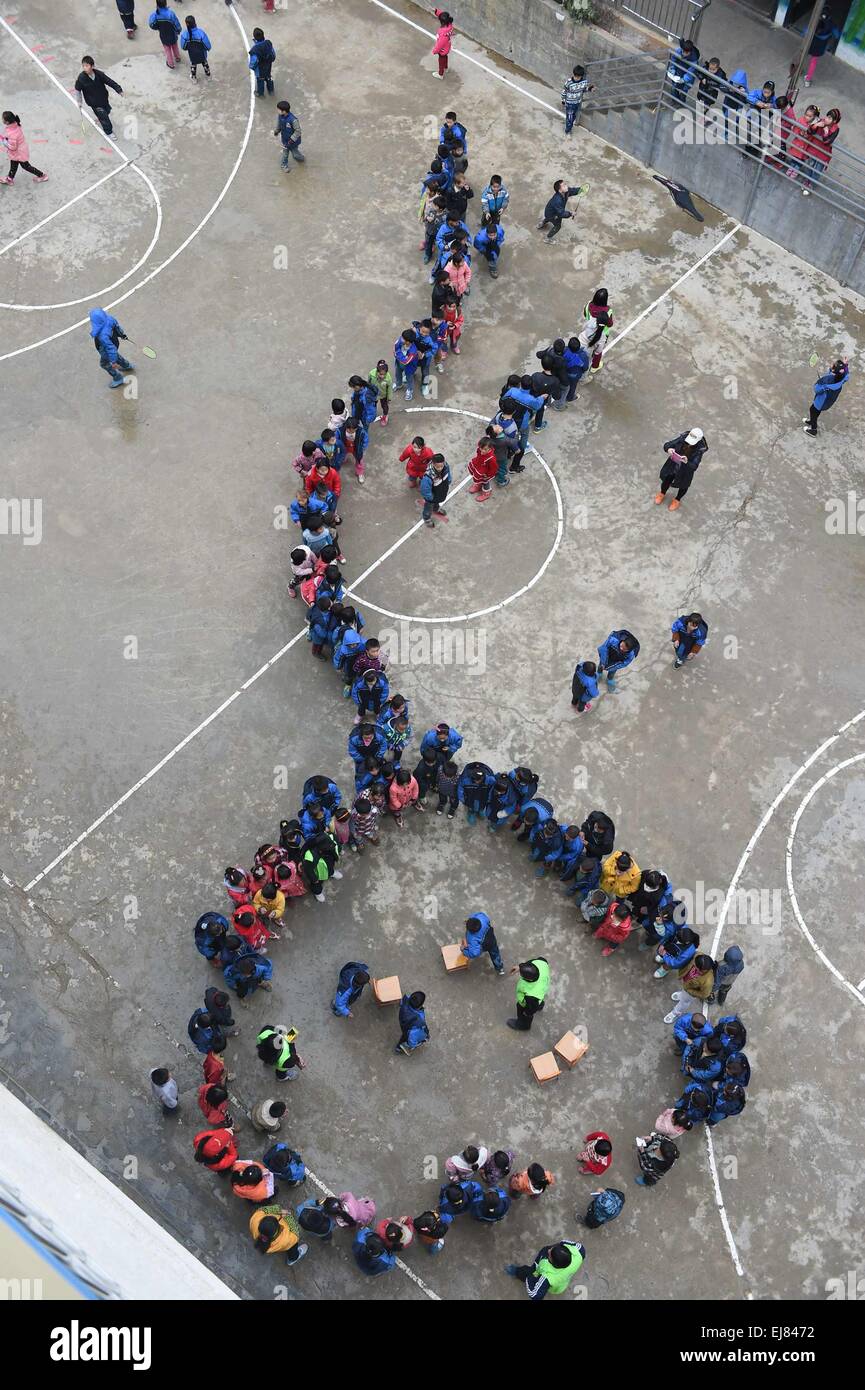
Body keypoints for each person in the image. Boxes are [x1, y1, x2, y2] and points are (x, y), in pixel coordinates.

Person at [505, 1240, 585, 1300]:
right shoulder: (579, 1253)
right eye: (553, 1249)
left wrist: (530, 1277)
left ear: (554, 1264)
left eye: (550, 1254)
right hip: (562, 1285)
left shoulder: (547, 1278)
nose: (549, 1250)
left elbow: (534, 1294)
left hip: (539, 1274)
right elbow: (564, 1242)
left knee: (527, 1272)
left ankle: (516, 1272)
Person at [655, 427, 707, 510]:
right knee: (666, 479)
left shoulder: (699, 450)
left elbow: (694, 466)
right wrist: (668, 449)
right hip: (673, 464)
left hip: (686, 470)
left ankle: (677, 499)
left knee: (683, 485)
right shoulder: (683, 438)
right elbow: (667, 445)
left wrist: (687, 462)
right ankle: (662, 493)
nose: (689, 443)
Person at [74, 56, 124, 136]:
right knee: (104, 118)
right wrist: (79, 101)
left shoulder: (99, 74)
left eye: (87, 66)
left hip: (103, 99)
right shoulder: (81, 78)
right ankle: (109, 132)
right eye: (83, 66)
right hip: (94, 103)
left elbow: (109, 81)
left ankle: (100, 117)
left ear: (92, 66)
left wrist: (119, 89)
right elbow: (77, 90)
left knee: (107, 111)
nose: (85, 68)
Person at [89, 308, 135, 389]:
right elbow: (117, 328)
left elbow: (111, 349)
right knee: (115, 355)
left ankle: (118, 378)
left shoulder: (102, 336)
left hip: (106, 350)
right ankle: (127, 365)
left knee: (104, 364)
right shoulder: (110, 319)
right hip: (115, 343)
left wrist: (113, 362)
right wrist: (122, 335)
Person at [664, 953, 716, 1023]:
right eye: (695, 966)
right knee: (683, 993)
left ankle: (676, 1013)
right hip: (687, 984)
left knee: (684, 1002)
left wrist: (690, 991)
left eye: (699, 970)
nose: (695, 967)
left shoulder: (708, 981)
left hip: (690, 993)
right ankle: (682, 995)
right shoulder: (698, 956)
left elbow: (704, 994)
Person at [803, 357, 849, 435]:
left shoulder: (827, 382)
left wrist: (821, 384)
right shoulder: (842, 378)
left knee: (812, 410)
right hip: (828, 401)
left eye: (833, 365)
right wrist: (845, 365)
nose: (831, 364)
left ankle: (813, 430)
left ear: (833, 371)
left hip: (821, 401)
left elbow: (817, 389)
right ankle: (812, 420)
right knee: (816, 411)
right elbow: (846, 374)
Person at [0, 114, 47, 184]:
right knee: (13, 165)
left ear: (7, 122)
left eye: (3, 119)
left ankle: (42, 175)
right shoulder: (15, 125)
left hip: (19, 153)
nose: (2, 120)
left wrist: (4, 141)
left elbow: (12, 147)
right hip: (18, 151)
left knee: (26, 166)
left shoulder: (13, 134)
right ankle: (9, 179)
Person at [506, 957, 550, 1032]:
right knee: (539, 1001)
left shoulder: (531, 996)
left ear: (529, 979)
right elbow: (536, 961)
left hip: (531, 1001)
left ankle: (524, 1025)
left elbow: (532, 1007)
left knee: (524, 1011)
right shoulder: (541, 963)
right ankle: (540, 1005)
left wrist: (527, 1013)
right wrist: (520, 967)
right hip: (542, 991)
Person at [579, 289, 613, 374]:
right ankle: (594, 366)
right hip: (602, 333)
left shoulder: (588, 305)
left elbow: (585, 314)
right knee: (598, 352)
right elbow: (610, 324)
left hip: (588, 331)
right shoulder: (608, 311)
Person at [805, 10, 838, 87]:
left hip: (810, 43)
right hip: (820, 47)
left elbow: (805, 31)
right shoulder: (831, 24)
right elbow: (836, 35)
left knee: (803, 55)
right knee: (813, 62)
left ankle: (797, 71)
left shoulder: (816, 20)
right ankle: (807, 80)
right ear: (829, 16)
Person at [420, 453, 451, 528]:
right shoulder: (428, 476)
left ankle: (436, 509)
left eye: (441, 466)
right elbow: (425, 490)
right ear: (433, 464)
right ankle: (426, 518)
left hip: (440, 492)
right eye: (438, 467)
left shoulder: (446, 466)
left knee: (437, 503)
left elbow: (448, 474)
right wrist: (431, 497)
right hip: (432, 497)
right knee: (428, 508)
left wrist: (449, 481)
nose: (440, 468)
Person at [666, 36, 699, 106]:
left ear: (690, 52)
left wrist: (684, 79)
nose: (683, 54)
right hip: (678, 72)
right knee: (673, 88)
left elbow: (691, 72)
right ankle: (674, 100)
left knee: (684, 92)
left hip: (687, 79)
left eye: (686, 53)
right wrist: (672, 68)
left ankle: (681, 104)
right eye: (683, 51)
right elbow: (674, 59)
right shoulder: (679, 50)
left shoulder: (694, 60)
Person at [561, 64, 593, 134]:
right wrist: (563, 100)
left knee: (573, 117)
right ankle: (568, 131)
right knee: (570, 117)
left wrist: (590, 89)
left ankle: (568, 123)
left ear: (581, 76)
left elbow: (583, 90)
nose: (576, 78)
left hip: (577, 102)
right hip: (569, 103)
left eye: (578, 77)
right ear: (573, 74)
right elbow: (564, 91)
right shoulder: (569, 82)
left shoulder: (584, 82)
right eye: (575, 76)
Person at [396, 990, 429, 1054]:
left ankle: (398, 1048)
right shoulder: (419, 1021)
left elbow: (401, 1003)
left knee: (404, 1035)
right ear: (419, 1006)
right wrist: (425, 1037)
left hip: (403, 1022)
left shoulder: (406, 998)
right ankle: (399, 1048)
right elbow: (413, 1039)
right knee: (405, 1038)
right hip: (409, 1029)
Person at [467, 434, 498, 503]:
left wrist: (488, 475)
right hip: (478, 466)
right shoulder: (480, 448)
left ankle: (487, 493)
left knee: (485, 482)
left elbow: (494, 469)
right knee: (478, 478)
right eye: (481, 448)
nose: (482, 451)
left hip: (485, 473)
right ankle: (478, 485)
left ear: (490, 448)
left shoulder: (491, 458)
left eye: (485, 449)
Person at [274, 102, 304, 172]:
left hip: (293, 142)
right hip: (285, 140)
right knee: (285, 154)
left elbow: (298, 131)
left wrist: (291, 141)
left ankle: (300, 157)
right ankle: (284, 165)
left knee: (295, 154)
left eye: (278, 109)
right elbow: (279, 124)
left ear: (284, 111)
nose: (277, 111)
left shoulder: (293, 120)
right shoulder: (280, 116)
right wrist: (277, 130)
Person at [249, 27, 276, 97]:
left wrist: (252, 67)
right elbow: (273, 53)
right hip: (268, 66)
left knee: (260, 80)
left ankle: (260, 93)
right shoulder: (268, 43)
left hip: (260, 69)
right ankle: (271, 90)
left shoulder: (255, 49)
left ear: (254, 37)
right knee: (268, 77)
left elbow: (254, 61)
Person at [432, 9, 454, 79]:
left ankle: (440, 74)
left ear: (442, 22)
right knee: (445, 57)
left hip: (442, 50)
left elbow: (440, 45)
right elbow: (442, 15)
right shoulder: (449, 25)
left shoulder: (443, 33)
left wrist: (435, 51)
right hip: (447, 47)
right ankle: (446, 68)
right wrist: (436, 11)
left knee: (441, 61)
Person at [370, 360, 393, 426]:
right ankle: (372, 414)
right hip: (374, 394)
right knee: (373, 405)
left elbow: (390, 389)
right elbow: (368, 383)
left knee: (384, 406)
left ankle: (385, 415)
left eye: (384, 374)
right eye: (380, 374)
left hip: (383, 395)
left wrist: (389, 398)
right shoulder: (371, 374)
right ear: (377, 371)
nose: (382, 376)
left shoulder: (388, 379)